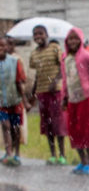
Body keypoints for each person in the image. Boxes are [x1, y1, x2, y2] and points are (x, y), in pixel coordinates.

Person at [60, 27, 89, 175]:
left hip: (86, 98)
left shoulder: (85, 56)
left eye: (76, 38)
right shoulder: (65, 58)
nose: (73, 41)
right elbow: (65, 80)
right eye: (70, 38)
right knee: (75, 130)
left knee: (87, 129)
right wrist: (64, 98)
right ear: (67, 41)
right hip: (72, 100)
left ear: (81, 40)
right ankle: (82, 161)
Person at [28, 24, 68, 165]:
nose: (38, 36)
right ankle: (52, 154)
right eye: (35, 34)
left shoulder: (55, 48)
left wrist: (55, 81)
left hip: (55, 91)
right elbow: (38, 74)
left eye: (41, 33)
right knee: (48, 125)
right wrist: (33, 93)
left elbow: (63, 68)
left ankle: (62, 155)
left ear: (47, 34)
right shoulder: (34, 54)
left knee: (58, 123)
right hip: (42, 92)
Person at [0, 37, 27, 166]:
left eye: (2, 46)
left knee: (15, 128)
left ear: (7, 47)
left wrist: (25, 101)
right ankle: (8, 152)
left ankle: (17, 152)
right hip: (1, 103)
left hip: (15, 101)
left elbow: (19, 82)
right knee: (6, 126)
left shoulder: (14, 62)